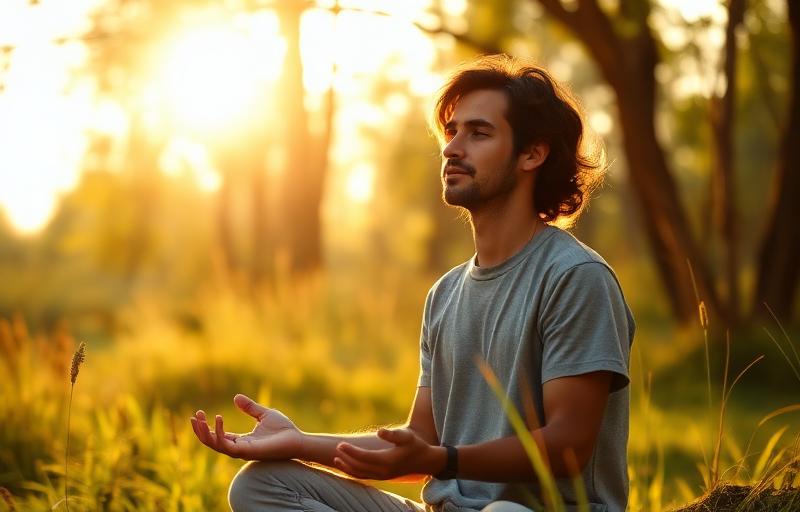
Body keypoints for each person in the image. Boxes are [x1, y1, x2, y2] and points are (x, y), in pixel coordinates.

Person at [190, 54, 635, 512]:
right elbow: (420, 445)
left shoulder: (574, 278)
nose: (451, 148)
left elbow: (569, 446)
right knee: (260, 485)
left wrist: (445, 459)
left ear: (532, 154)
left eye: (478, 133)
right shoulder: (445, 294)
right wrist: (297, 441)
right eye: (452, 132)